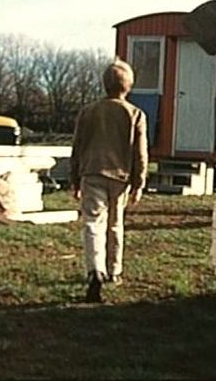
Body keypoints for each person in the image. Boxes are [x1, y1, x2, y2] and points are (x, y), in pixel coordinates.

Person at [70, 59, 148, 303]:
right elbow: (140, 153)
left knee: (93, 223)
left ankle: (95, 270)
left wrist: (74, 179)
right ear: (129, 86)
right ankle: (114, 271)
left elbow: (77, 147)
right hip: (121, 176)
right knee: (115, 224)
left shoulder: (88, 111)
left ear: (104, 84)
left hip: (92, 172)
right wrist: (139, 183)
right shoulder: (135, 114)